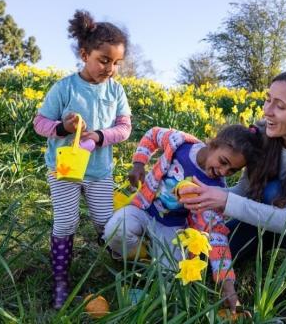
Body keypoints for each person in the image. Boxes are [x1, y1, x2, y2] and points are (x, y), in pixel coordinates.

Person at [180, 70, 286, 304]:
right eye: (268, 99)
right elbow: (242, 193)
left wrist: (224, 201)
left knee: (274, 192)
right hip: (269, 217)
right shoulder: (264, 137)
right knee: (208, 266)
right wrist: (204, 196)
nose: (267, 110)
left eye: (280, 106)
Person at [104, 125, 263, 313]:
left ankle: (147, 269)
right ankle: (139, 256)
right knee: (114, 232)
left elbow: (216, 234)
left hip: (172, 228)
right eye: (223, 161)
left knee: (172, 275)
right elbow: (153, 134)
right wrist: (139, 163)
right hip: (144, 208)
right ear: (214, 144)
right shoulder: (180, 143)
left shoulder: (213, 188)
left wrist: (227, 283)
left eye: (231, 171)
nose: (223, 171)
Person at [33, 10, 132, 309]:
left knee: (105, 222)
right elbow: (40, 124)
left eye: (116, 63)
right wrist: (64, 127)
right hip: (64, 169)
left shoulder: (115, 90)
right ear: (84, 53)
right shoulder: (64, 88)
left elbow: (125, 128)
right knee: (66, 223)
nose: (110, 68)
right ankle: (61, 282)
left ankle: (121, 270)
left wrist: (99, 136)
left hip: (100, 170)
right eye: (104, 60)